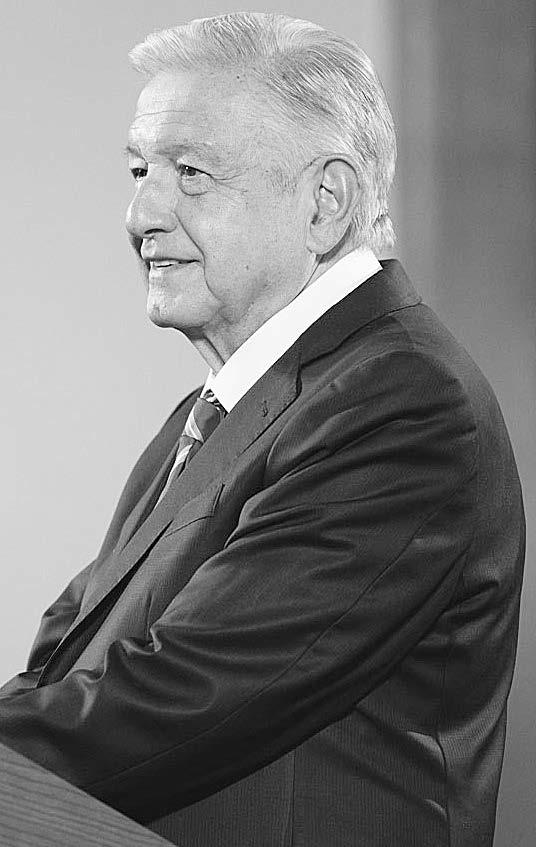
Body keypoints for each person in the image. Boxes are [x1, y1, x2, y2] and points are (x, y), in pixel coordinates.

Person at [0, 12, 525, 847]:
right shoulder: (215, 411)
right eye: (139, 170)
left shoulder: (406, 403)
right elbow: (67, 663)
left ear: (326, 203)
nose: (141, 214)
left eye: (191, 172)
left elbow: (185, 692)